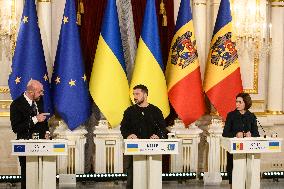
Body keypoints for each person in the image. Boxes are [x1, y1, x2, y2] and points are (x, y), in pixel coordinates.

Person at [120, 84, 167, 189]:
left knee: (152, 175)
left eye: (137, 94)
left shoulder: (155, 111)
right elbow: (124, 128)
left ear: (145, 95)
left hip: (153, 149)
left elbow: (162, 128)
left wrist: (158, 136)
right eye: (134, 94)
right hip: (134, 149)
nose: (135, 97)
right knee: (133, 176)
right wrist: (129, 135)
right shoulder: (129, 111)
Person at [10, 80, 50, 189]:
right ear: (31, 92)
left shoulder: (39, 100)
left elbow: (43, 119)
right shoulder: (16, 104)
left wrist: (47, 132)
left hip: (42, 145)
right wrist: (35, 119)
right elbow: (16, 128)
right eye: (40, 91)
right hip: (25, 145)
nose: (42, 94)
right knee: (28, 176)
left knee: (43, 174)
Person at [222, 92, 260, 186]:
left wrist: (250, 134)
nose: (237, 104)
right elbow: (225, 133)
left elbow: (257, 134)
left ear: (246, 103)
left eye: (240, 102)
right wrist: (236, 134)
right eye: (236, 102)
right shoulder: (231, 115)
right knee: (233, 169)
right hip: (234, 149)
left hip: (248, 150)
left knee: (248, 170)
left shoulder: (251, 116)